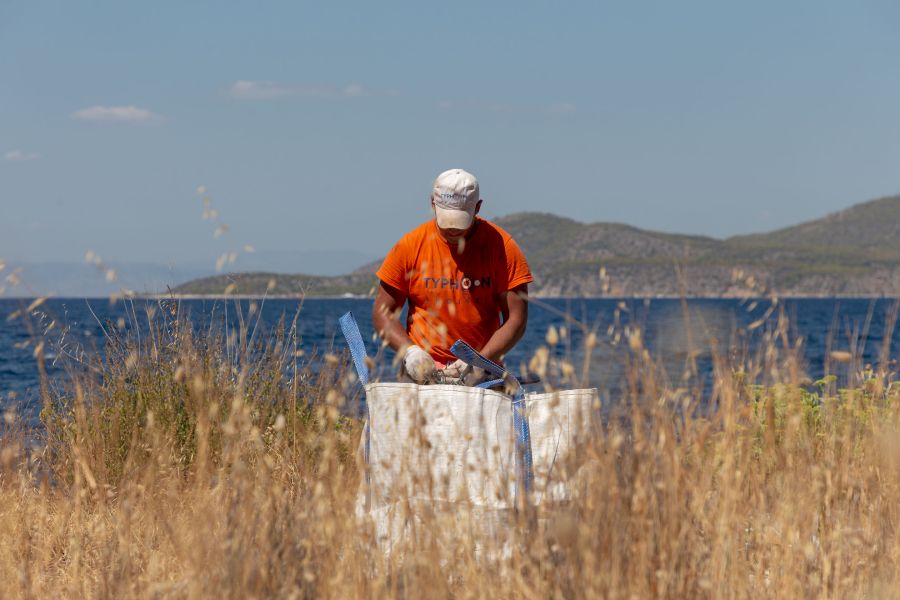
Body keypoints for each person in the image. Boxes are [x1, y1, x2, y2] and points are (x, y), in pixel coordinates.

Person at [372, 168, 533, 383]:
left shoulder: (503, 248)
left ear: (477, 207)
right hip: (420, 372)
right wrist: (411, 353)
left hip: (481, 370)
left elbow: (516, 319)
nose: (452, 230)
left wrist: (479, 360)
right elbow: (383, 313)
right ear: (432, 204)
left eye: (460, 221)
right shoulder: (409, 247)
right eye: (446, 219)